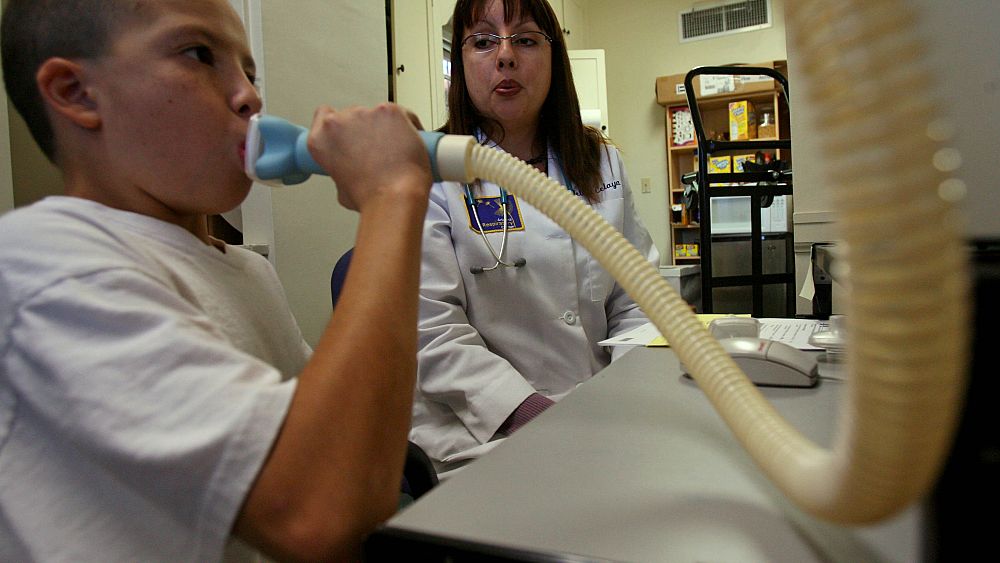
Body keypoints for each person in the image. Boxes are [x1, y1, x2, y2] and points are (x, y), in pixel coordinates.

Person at [0, 1, 433, 560]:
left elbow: (347, 443)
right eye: (199, 54)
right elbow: (319, 506)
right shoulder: (46, 263)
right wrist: (391, 195)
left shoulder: (246, 270)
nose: (250, 96)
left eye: (249, 72)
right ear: (77, 93)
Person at [410, 0, 660, 475]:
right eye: (484, 41)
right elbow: (434, 331)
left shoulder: (600, 161)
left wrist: (626, 393)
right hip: (484, 436)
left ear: (553, 57)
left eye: (525, 39)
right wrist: (536, 415)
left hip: (601, 413)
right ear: (461, 62)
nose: (505, 56)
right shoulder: (431, 172)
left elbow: (638, 300)